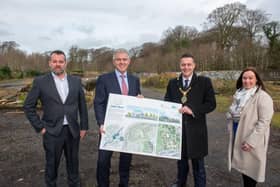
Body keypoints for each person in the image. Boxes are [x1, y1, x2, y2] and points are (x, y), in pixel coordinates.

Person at [23, 50, 88, 187]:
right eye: (54, 61)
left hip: (72, 131)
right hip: (51, 131)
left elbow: (82, 105)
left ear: (65, 63)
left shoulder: (75, 81)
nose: (57, 64)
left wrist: (83, 127)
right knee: (52, 166)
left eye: (60, 61)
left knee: (73, 165)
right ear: (50, 63)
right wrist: (40, 127)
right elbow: (28, 106)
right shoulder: (40, 82)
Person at [164, 53, 216, 187]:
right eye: (183, 64)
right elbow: (166, 102)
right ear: (180, 66)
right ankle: (180, 183)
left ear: (194, 65)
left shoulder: (204, 82)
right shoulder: (172, 83)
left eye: (189, 64)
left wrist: (192, 110)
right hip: (178, 131)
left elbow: (211, 104)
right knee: (181, 164)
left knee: (198, 166)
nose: (186, 67)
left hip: (197, 132)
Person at [94, 48, 142, 187]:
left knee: (126, 160)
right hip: (109, 127)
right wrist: (101, 123)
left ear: (129, 61)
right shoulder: (104, 79)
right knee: (103, 160)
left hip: (128, 127)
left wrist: (140, 100)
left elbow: (136, 101)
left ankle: (124, 183)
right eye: (118, 59)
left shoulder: (135, 80)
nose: (122, 62)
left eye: (124, 59)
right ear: (114, 62)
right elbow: (98, 103)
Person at [226, 67, 274, 187]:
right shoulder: (239, 94)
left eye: (250, 78)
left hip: (252, 138)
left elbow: (264, 121)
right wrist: (229, 114)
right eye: (244, 78)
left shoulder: (263, 97)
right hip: (239, 133)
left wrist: (251, 141)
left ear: (257, 80)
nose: (247, 81)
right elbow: (232, 111)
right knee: (244, 168)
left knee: (251, 171)